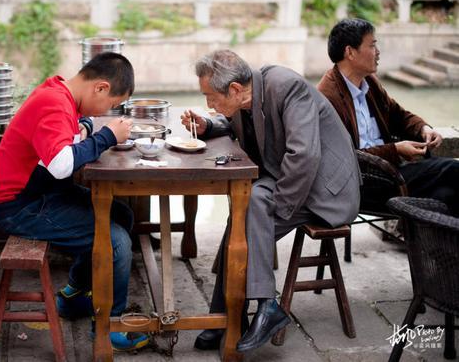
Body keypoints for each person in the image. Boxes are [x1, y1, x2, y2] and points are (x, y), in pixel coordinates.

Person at [181, 50, 361, 352]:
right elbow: (241, 123)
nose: (209, 104)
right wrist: (208, 125)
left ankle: (242, 310)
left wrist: (272, 207)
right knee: (243, 215)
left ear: (235, 90)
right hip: (289, 177)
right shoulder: (246, 94)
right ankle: (241, 312)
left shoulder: (286, 86)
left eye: (211, 97)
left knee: (249, 215)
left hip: (326, 189)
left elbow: (303, 156)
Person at [0, 52, 149, 351]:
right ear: (100, 87)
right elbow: (61, 164)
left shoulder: (60, 93)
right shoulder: (54, 102)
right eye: (111, 104)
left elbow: (66, 137)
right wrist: (107, 136)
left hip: (43, 192)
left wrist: (86, 127)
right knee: (116, 241)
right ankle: (107, 327)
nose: (108, 112)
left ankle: (73, 295)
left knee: (121, 216)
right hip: (20, 205)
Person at [318, 18, 459, 216]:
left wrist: (423, 128)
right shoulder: (328, 96)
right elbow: (345, 158)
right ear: (350, 52)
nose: (378, 52)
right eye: (372, 45)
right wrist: (395, 150)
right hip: (361, 184)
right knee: (452, 169)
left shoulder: (369, 82)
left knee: (447, 194)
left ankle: (434, 246)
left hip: (388, 173)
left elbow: (398, 114)